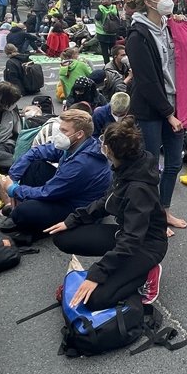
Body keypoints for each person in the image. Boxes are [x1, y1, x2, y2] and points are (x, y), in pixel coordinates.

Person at [44, 118, 166, 309]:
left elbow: (133, 239)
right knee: (62, 237)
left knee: (94, 300)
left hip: (146, 245)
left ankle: (146, 273)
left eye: (104, 143)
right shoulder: (126, 166)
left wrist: (97, 273)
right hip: (125, 234)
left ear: (110, 151)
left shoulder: (138, 189)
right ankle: (127, 272)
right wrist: (73, 220)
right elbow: (106, 201)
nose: (101, 145)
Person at [125, 0, 187, 231]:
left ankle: (164, 210)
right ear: (147, 1)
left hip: (175, 104)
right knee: (151, 168)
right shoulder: (137, 36)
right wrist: (168, 114)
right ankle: (152, 218)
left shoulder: (168, 25)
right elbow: (148, 82)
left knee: (173, 162)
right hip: (152, 110)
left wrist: (183, 26)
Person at [3, 109, 114, 237]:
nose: (59, 135)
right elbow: (37, 152)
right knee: (35, 166)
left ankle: (31, 229)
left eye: (64, 131)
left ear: (79, 134)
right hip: (69, 193)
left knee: (23, 212)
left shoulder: (81, 164)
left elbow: (47, 193)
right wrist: (14, 177)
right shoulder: (79, 144)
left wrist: (14, 189)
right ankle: (28, 212)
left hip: (79, 208)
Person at [93, 0, 122, 64]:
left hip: (103, 33)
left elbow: (98, 18)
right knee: (113, 50)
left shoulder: (101, 8)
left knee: (105, 52)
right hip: (113, 33)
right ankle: (115, 64)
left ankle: (107, 65)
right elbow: (118, 19)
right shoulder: (114, 7)